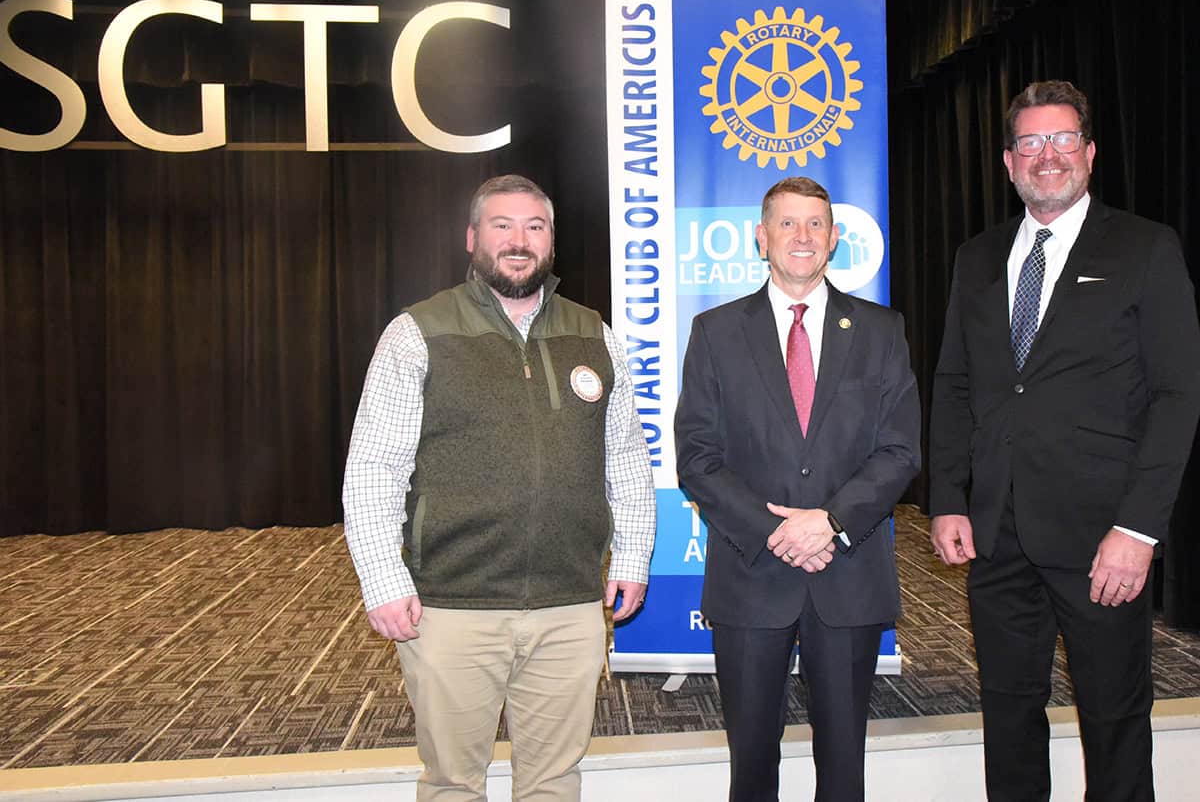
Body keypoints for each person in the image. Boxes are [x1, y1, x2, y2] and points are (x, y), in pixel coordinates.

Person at [342, 174, 656, 801]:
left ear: (551, 242)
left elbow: (624, 457)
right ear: (472, 238)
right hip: (451, 606)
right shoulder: (418, 332)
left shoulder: (594, 334)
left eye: (534, 227)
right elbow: (375, 468)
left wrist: (633, 554)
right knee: (454, 782)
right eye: (502, 226)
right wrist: (382, 579)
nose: (519, 241)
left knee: (555, 782)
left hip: (569, 604)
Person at [929, 80, 1200, 801]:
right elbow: (956, 381)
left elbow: (1177, 396)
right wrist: (949, 497)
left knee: (1114, 719)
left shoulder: (1146, 247)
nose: (1046, 156)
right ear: (1009, 162)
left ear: (1087, 151)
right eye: (1030, 143)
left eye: (1061, 140)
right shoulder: (977, 258)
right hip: (997, 534)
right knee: (1008, 714)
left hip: (1102, 535)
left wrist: (1139, 528)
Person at [675, 176, 921, 802]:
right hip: (750, 578)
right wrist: (779, 530)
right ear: (762, 238)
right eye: (787, 223)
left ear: (834, 238)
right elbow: (697, 459)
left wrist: (829, 522)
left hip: (848, 576)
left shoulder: (882, 329)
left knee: (843, 770)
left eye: (816, 224)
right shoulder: (715, 332)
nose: (802, 237)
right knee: (751, 767)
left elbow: (899, 452)